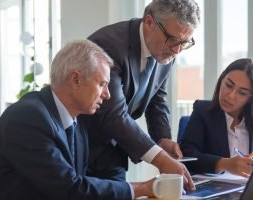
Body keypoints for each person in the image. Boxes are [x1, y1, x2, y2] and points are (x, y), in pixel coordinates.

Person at [0, 40, 156, 200]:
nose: (107, 95)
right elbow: (69, 189)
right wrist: (141, 188)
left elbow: (88, 177)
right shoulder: (27, 118)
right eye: (102, 84)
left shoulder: (77, 122)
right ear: (76, 79)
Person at [79, 0, 200, 190]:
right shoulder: (108, 45)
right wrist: (159, 159)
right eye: (173, 40)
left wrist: (163, 139)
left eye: (184, 43)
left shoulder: (167, 50)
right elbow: (113, 115)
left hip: (114, 152)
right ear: (150, 22)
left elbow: (157, 99)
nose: (177, 50)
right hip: (81, 147)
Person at [179, 58, 253, 178]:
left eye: (242, 93)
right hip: (215, 191)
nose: (230, 96)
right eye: (228, 85)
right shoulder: (202, 111)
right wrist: (224, 164)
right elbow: (187, 155)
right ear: (222, 79)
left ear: (251, 98)